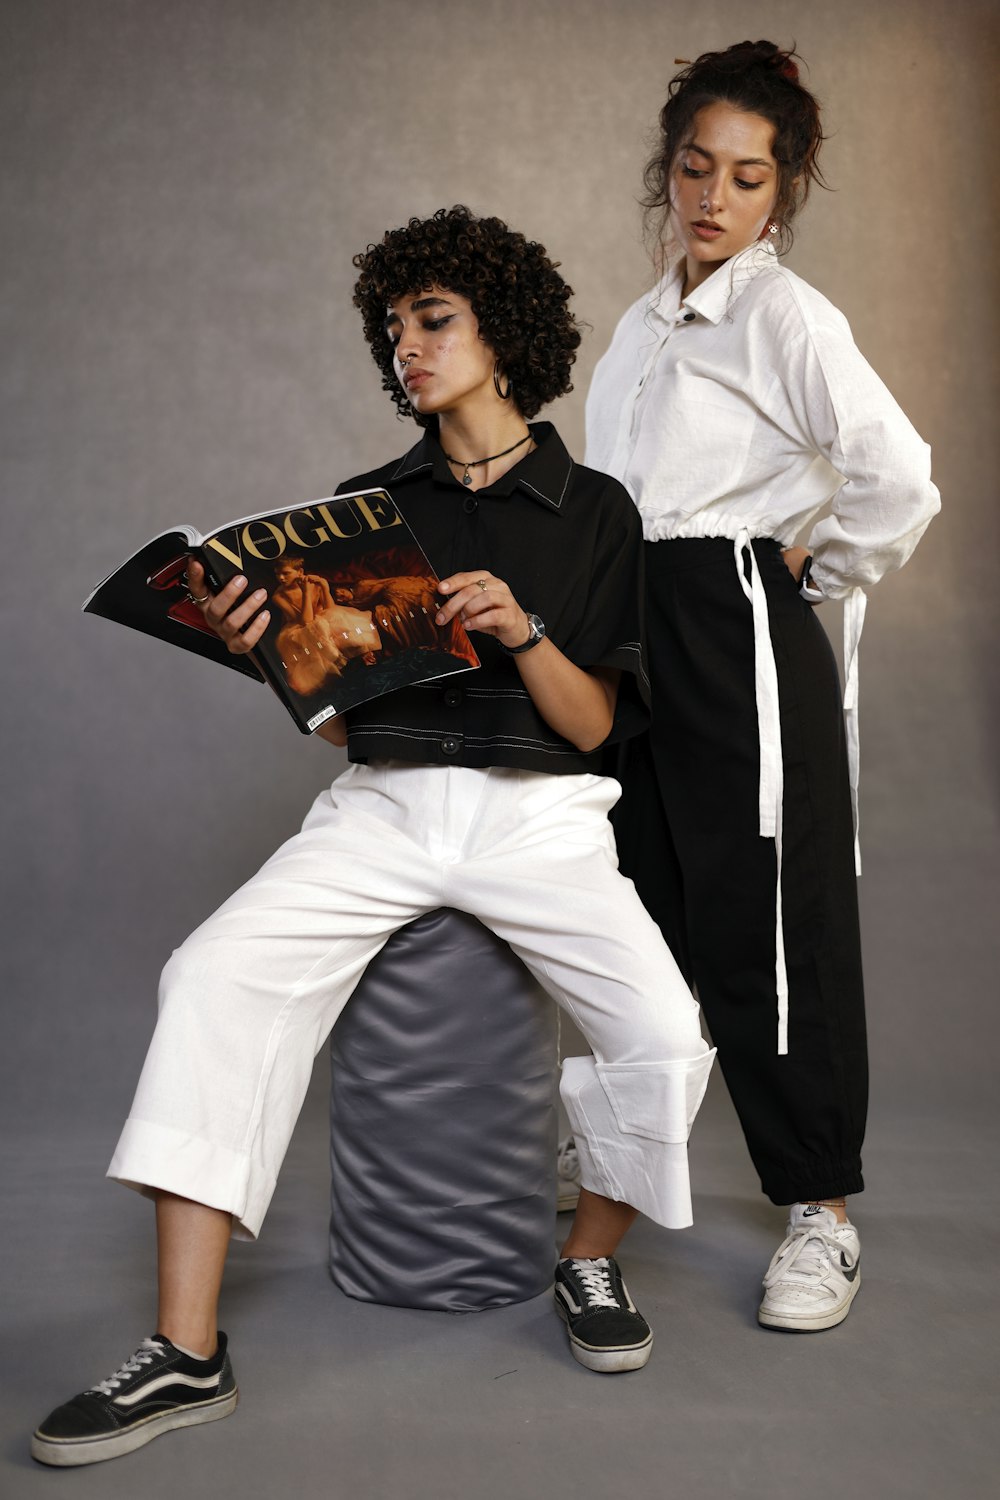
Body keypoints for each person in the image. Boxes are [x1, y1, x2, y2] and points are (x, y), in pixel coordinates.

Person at [32, 206, 714, 1468]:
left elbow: (589, 728)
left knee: (665, 1034)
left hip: (540, 817)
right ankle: (187, 1355)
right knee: (210, 978)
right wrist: (273, 656)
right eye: (392, 327)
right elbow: (351, 732)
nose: (407, 346)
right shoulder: (360, 510)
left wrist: (519, 629)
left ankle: (589, 1264)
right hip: (385, 803)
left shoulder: (594, 511)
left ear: (499, 334)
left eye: (432, 320)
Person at [582, 42, 940, 1333]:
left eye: (747, 176)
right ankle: (619, 1175)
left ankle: (821, 1211)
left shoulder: (788, 316)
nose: (714, 198)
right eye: (695, 169)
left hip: (736, 623)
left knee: (769, 927)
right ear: (667, 171)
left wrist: (810, 567)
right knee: (641, 905)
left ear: (783, 190)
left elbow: (899, 476)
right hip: (629, 638)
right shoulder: (635, 326)